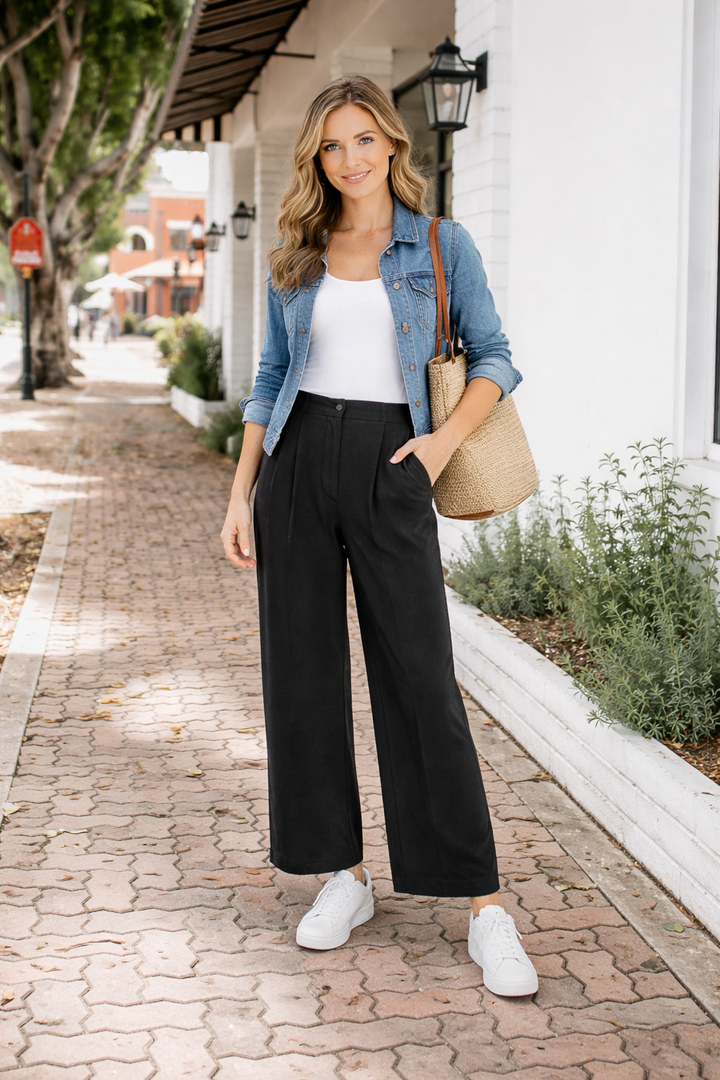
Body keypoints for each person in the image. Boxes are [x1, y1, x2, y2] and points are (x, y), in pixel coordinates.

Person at [222, 76, 538, 998]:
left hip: (396, 459)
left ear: (393, 146)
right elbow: (273, 375)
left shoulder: (441, 245)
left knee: (420, 677)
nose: (351, 158)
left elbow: (495, 356)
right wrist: (241, 495)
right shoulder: (299, 253)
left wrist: (439, 444)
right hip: (297, 463)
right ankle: (343, 876)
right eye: (333, 145)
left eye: (364, 140)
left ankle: (482, 904)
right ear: (316, 159)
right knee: (304, 676)